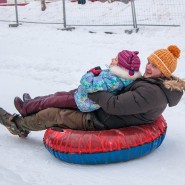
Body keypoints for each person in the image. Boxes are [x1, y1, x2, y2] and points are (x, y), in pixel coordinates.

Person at [0, 45, 185, 138]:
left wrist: (93, 91)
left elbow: (115, 106)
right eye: (149, 62)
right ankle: (32, 106)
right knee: (65, 95)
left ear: (165, 73)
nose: (148, 67)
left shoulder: (152, 93)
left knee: (54, 114)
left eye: (154, 66)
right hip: (98, 109)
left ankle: (18, 125)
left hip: (98, 119)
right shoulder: (153, 84)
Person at [13, 50, 141, 116]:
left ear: (121, 66)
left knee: (51, 102)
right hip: (81, 94)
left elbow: (89, 84)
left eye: (116, 59)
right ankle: (31, 103)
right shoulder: (117, 75)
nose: (112, 59)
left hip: (83, 101)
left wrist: (90, 73)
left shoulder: (115, 80)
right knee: (55, 95)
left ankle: (26, 109)